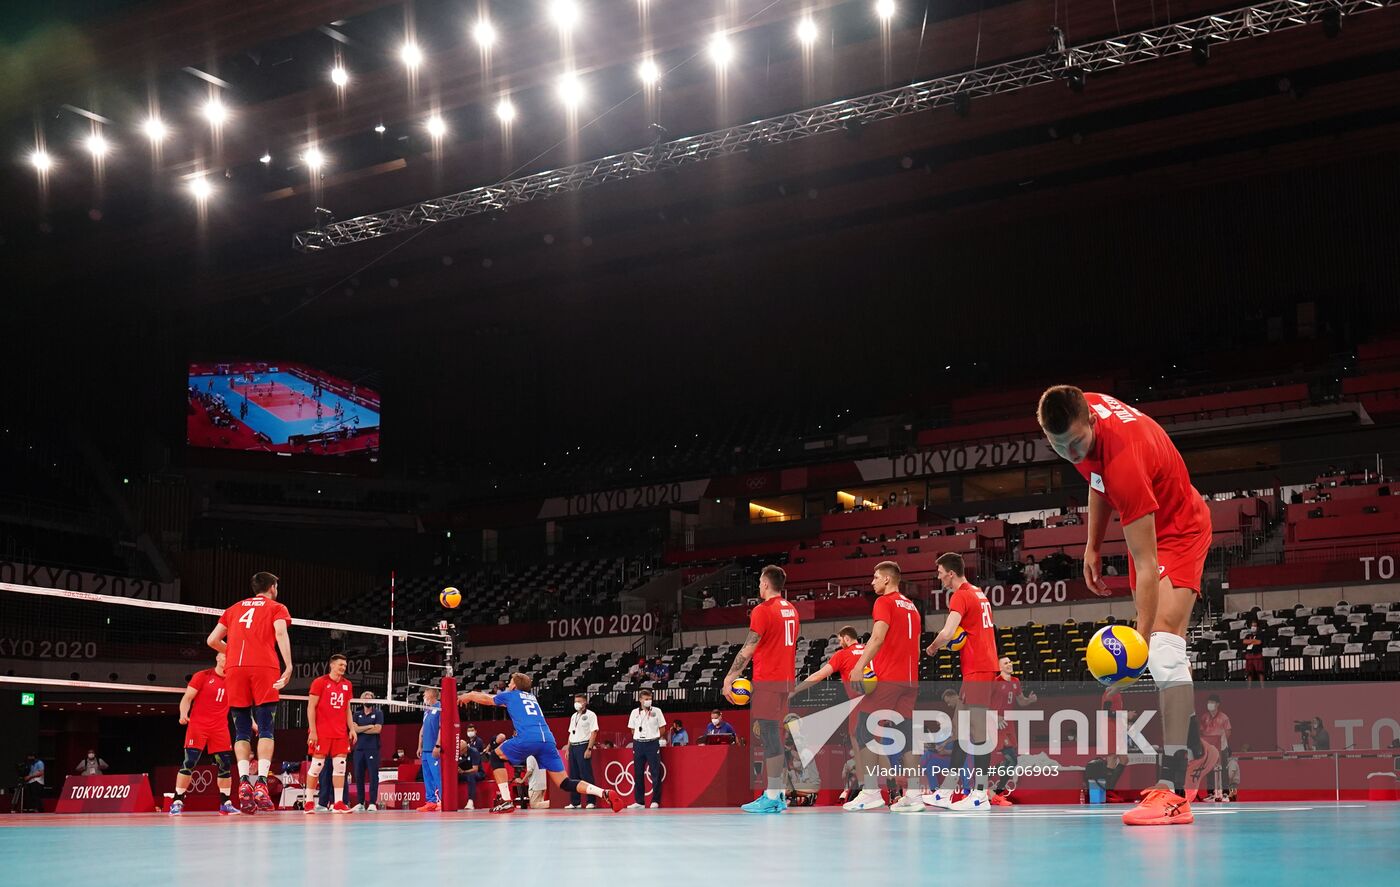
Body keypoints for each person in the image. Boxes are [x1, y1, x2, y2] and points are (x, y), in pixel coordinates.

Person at [1038, 385, 1218, 826]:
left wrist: (1136, 642)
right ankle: (1193, 745)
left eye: (1076, 443)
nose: (1070, 453)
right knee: (1157, 649)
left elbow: (1145, 557)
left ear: (1093, 424)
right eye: (1059, 447)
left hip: (1181, 530)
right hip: (1152, 523)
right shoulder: (1080, 415)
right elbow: (1095, 476)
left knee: (1162, 645)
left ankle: (1174, 791)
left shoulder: (1124, 460)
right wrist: (1092, 545)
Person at [456, 673, 626, 815]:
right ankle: (603, 792)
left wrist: (468, 695)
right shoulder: (532, 697)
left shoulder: (512, 695)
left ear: (515, 686)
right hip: (547, 740)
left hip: (528, 738)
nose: (508, 685)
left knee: (495, 755)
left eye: (510, 682)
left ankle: (506, 801)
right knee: (565, 782)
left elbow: (487, 699)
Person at [206, 571, 293, 814]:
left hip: (234, 669)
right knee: (266, 728)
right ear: (272, 587)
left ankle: (244, 780)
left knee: (242, 731)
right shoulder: (277, 607)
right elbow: (280, 633)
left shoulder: (233, 608)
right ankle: (262, 783)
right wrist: (289, 665)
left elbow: (212, 640)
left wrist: (231, 652)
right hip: (264, 667)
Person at [924, 552, 1000, 811]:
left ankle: (980, 794)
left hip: (979, 668)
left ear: (951, 573)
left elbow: (947, 631)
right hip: (977, 667)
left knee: (978, 732)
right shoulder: (978, 592)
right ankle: (946, 792)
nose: (938, 576)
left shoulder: (961, 595)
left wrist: (933, 648)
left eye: (940, 572)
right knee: (959, 729)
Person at [847, 561, 924, 812]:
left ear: (888, 580)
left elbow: (877, 638)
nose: (872, 582)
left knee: (864, 729)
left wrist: (859, 666)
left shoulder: (884, 602)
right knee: (906, 736)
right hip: (910, 679)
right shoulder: (912, 606)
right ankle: (914, 795)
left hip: (889, 677)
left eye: (876, 577)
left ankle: (870, 792)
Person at [722, 564, 800, 814]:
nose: (758, 586)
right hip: (786, 681)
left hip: (768, 680)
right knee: (775, 737)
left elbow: (748, 648)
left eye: (759, 582)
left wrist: (730, 677)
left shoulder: (763, 610)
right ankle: (777, 794)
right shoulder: (792, 609)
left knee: (770, 738)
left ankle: (773, 796)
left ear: (766, 584)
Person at [791, 625, 868, 801]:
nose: (839, 643)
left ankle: (865, 789)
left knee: (858, 746)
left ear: (847, 638)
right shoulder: (868, 650)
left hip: (858, 704)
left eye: (840, 640)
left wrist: (796, 689)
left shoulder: (842, 655)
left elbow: (818, 676)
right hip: (879, 701)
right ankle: (895, 789)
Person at [171, 652, 238, 815]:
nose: (227, 658)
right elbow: (187, 698)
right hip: (198, 726)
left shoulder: (234, 680)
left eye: (230, 655)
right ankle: (178, 800)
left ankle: (225, 802)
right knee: (190, 762)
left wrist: (253, 723)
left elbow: (240, 706)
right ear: (217, 657)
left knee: (225, 765)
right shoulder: (202, 676)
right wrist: (183, 714)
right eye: (224, 655)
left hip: (220, 728)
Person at [304, 654, 356, 814]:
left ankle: (339, 802)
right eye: (340, 664)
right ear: (332, 665)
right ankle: (308, 802)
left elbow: (347, 708)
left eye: (345, 665)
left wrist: (351, 728)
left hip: (340, 733)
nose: (343, 668)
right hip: (322, 732)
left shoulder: (347, 684)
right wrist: (313, 730)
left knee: (340, 767)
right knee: (316, 766)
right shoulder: (320, 682)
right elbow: (310, 707)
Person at [988, 656, 1038, 805]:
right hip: (997, 723)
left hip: (1008, 723)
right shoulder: (995, 683)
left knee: (1012, 760)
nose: (1009, 664)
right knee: (1010, 759)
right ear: (999, 667)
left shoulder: (1016, 682)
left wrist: (1030, 700)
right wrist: (995, 717)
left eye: (1010, 662)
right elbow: (984, 703)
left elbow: (1021, 701)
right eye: (1006, 663)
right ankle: (994, 792)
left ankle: (997, 792)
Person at [627, 689, 667, 808]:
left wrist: (653, 737)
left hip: (652, 744)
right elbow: (632, 729)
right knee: (638, 773)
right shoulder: (634, 712)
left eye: (650, 699)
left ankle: (655, 800)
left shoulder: (657, 711)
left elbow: (662, 728)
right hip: (638, 744)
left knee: (655, 772)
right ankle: (639, 801)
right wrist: (639, 737)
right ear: (640, 700)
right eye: (646, 699)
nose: (648, 701)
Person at [351, 691, 384, 811]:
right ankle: (360, 802)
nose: (368, 699)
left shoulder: (378, 713)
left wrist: (361, 729)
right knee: (359, 776)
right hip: (359, 749)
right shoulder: (357, 714)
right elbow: (354, 729)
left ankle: (372, 803)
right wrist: (369, 726)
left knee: (373, 776)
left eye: (370, 698)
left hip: (372, 749)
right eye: (365, 698)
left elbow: (377, 730)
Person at [566, 694, 599, 809]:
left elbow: (594, 732)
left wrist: (589, 748)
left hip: (583, 745)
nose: (577, 703)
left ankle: (591, 801)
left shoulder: (591, 715)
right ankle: (575, 802)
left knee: (586, 775)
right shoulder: (574, 716)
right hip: (573, 746)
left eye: (579, 701)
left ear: (585, 702)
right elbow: (571, 732)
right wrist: (568, 748)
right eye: (575, 701)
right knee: (573, 775)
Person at [1198, 694, 1232, 800]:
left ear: (1217, 704)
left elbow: (1228, 732)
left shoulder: (1224, 717)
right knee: (1209, 769)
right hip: (1209, 748)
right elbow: (1201, 731)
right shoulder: (1204, 717)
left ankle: (1225, 793)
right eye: (1209, 702)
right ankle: (1211, 794)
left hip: (1221, 747)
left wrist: (1221, 743)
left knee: (1224, 770)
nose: (1210, 704)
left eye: (1212, 702)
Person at [416, 688, 443, 812]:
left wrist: (438, 745)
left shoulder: (440, 708)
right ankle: (430, 801)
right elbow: (422, 729)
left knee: (437, 776)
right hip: (425, 750)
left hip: (434, 749)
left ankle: (442, 801)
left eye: (425, 694)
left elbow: (441, 728)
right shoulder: (426, 710)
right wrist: (419, 746)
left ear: (431, 695)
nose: (423, 696)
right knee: (427, 777)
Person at [456, 738, 483, 810]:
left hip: (477, 773)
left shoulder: (474, 752)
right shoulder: (457, 753)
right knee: (452, 778)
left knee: (471, 776)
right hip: (464, 773)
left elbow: (475, 769)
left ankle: (470, 802)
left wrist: (463, 772)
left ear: (465, 748)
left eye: (460, 750)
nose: (459, 752)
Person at [1242, 619, 1266, 686]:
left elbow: (1259, 642)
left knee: (1260, 672)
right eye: (1252, 626)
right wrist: (1254, 641)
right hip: (1249, 656)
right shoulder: (1247, 635)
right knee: (1249, 673)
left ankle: (1262, 688)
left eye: (1255, 626)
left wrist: (1250, 641)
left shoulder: (1260, 635)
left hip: (1257, 655)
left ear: (1257, 627)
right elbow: (1244, 642)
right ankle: (1249, 688)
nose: (1253, 627)